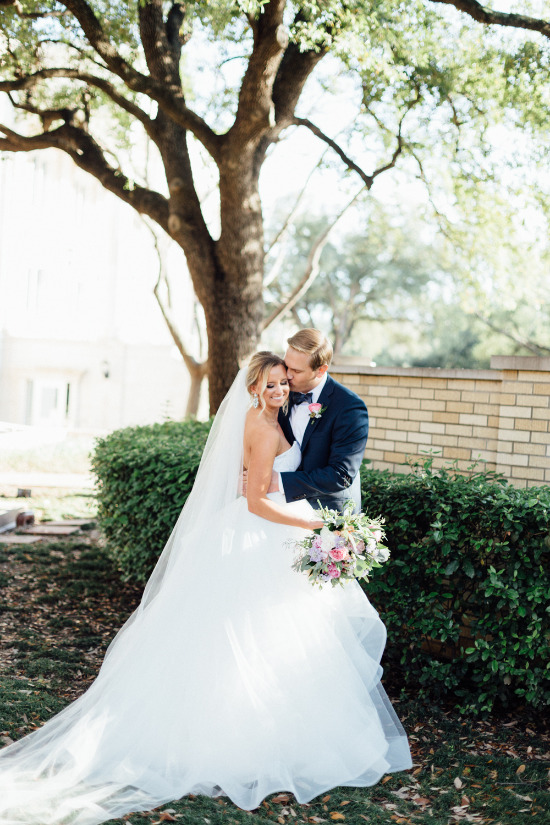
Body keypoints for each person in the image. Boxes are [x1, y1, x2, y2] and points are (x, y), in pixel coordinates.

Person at [0, 350, 412, 825]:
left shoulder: (281, 418)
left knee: (277, 637)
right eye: (272, 384)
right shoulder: (260, 426)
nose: (280, 390)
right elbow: (256, 501)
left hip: (275, 536)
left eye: (284, 382)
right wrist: (313, 527)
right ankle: (237, 737)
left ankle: (272, 727)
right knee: (249, 637)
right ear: (254, 388)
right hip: (264, 534)